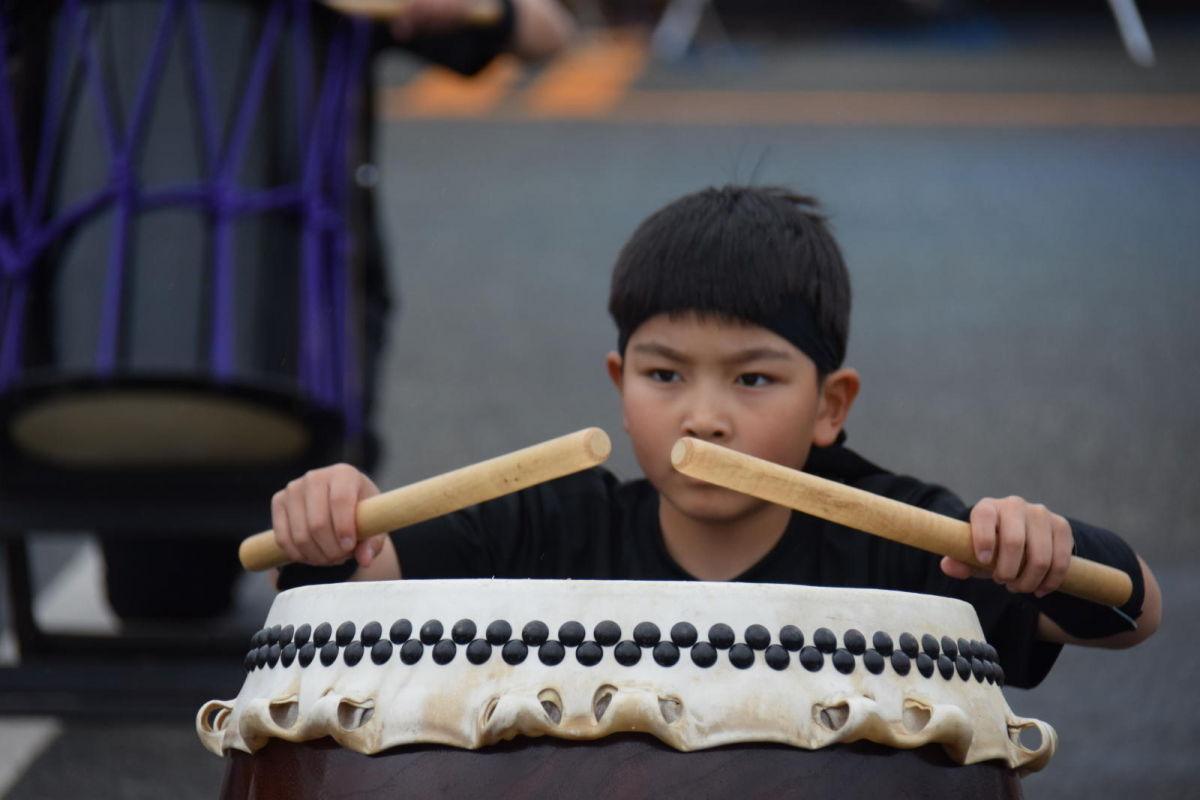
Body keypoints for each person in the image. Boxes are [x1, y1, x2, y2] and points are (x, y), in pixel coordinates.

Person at [268, 185, 1161, 688]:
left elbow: (1134, 613)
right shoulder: (545, 529)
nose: (704, 415)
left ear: (830, 405)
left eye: (754, 378)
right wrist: (328, 524)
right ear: (621, 391)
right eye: (665, 375)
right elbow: (352, 582)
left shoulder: (900, 539)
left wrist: (1050, 546)